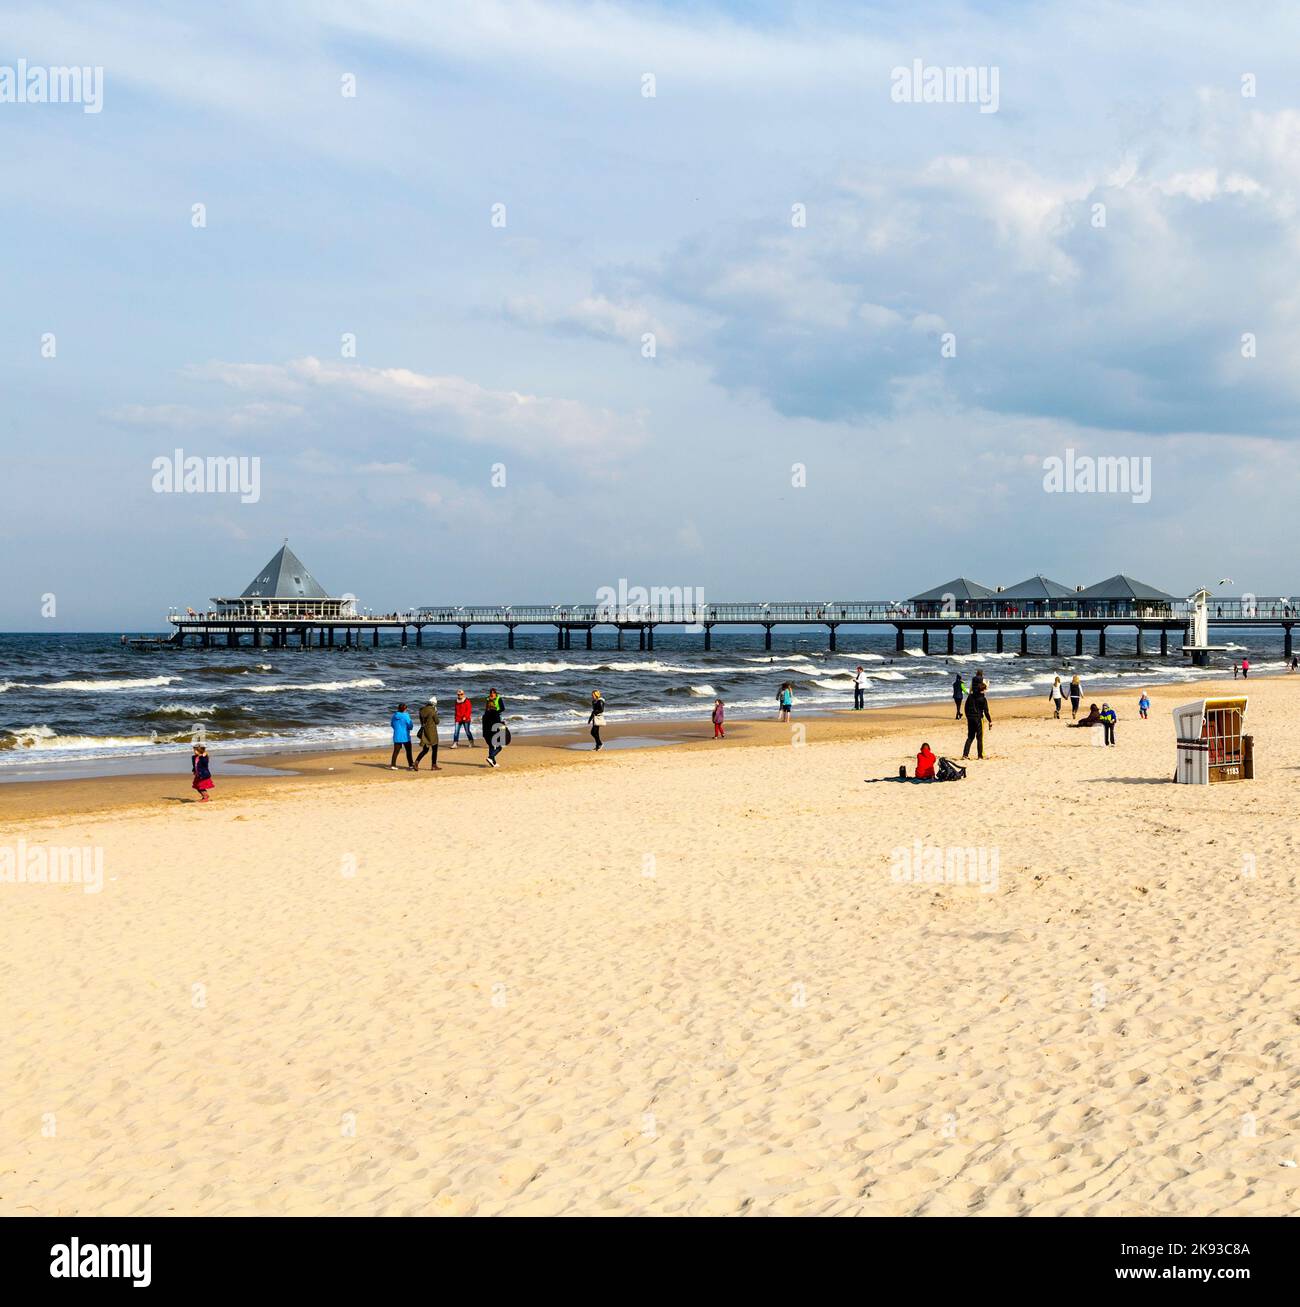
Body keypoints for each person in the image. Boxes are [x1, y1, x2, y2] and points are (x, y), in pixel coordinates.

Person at [962, 684, 992, 760]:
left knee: (970, 737)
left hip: (970, 718)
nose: (986, 691)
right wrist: (990, 721)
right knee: (979, 738)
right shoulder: (983, 699)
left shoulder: (970, 696)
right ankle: (980, 756)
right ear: (983, 690)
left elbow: (966, 707)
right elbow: (986, 711)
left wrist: (968, 716)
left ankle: (965, 755)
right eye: (985, 689)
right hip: (978, 719)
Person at [414, 695, 442, 771]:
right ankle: (434, 765)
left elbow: (421, 722)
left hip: (424, 732)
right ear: (434, 704)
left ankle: (416, 762)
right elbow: (437, 721)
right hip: (432, 732)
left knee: (425, 750)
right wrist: (436, 712)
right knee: (434, 749)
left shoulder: (422, 710)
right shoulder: (432, 711)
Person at [482, 689, 507, 768]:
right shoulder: (494, 713)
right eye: (491, 693)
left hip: (486, 732)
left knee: (491, 745)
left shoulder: (484, 715)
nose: (492, 694)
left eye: (493, 693)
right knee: (499, 747)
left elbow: (502, 708)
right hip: (495, 723)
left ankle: (493, 762)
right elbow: (498, 725)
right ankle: (491, 757)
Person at [390, 703, 415, 770]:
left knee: (396, 751)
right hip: (405, 736)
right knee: (408, 751)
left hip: (397, 735)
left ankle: (393, 765)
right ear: (405, 709)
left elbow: (392, 724)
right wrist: (410, 726)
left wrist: (397, 729)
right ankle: (411, 765)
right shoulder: (406, 715)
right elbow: (410, 726)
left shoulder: (394, 715)